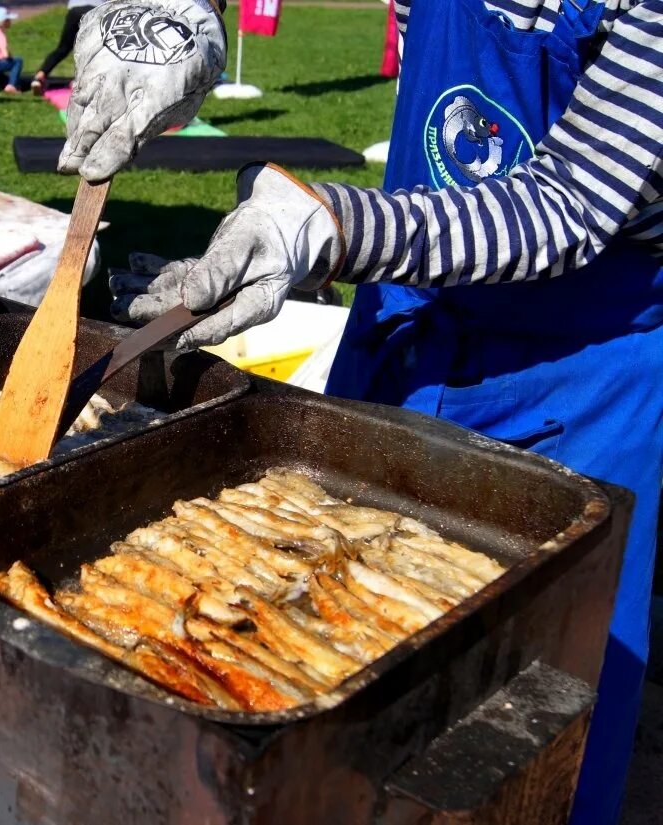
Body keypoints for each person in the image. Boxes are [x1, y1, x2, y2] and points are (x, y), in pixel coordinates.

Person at [62, 0, 662, 822]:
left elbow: (571, 204)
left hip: (578, 368)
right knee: (306, 661)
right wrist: (179, 16)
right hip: (412, 308)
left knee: (526, 731)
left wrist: (335, 224)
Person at [30, 0, 108, 96]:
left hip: (74, 11)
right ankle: (80, 82)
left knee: (63, 49)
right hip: (95, 11)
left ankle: (39, 77)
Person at [0, 7, 23, 94]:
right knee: (18, 61)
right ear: (3, 22)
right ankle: (11, 86)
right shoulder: (0, 35)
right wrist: (10, 56)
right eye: (8, 19)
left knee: (3, 78)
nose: (10, 21)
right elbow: (5, 54)